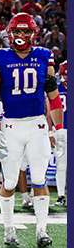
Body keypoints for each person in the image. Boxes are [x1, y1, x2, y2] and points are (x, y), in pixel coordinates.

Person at [0, 12, 66, 247]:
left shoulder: (44, 56)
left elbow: (53, 95)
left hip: (37, 125)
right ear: (10, 33)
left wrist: (58, 130)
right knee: (9, 182)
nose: (21, 36)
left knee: (39, 179)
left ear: (34, 33)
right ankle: (9, 229)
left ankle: (42, 230)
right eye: (18, 31)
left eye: (26, 32)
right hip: (10, 126)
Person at [52, 60, 67, 206]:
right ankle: (61, 195)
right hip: (60, 130)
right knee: (61, 165)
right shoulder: (55, 89)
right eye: (66, 74)